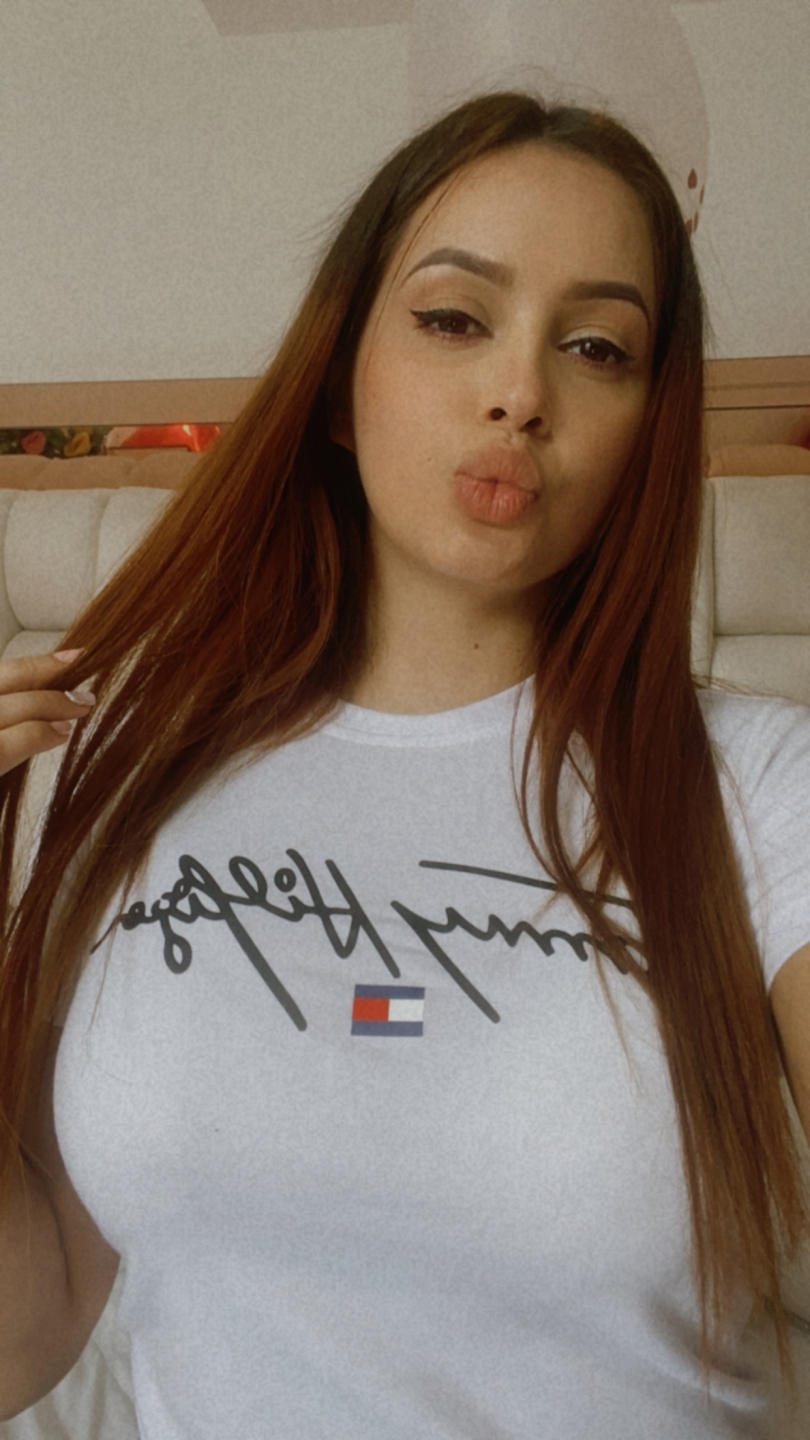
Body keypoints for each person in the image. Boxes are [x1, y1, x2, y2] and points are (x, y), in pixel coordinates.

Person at [0, 91, 808, 1439]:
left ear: (645, 431)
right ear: (335, 382)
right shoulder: (135, 772)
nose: (520, 393)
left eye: (597, 348)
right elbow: (19, 1341)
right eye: (452, 319)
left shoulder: (760, 786)